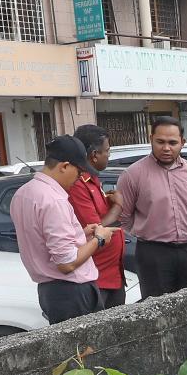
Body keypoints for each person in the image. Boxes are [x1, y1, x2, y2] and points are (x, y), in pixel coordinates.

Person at [10, 135, 114, 324]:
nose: (80, 178)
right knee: (84, 351)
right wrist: (98, 239)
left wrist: (81, 234)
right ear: (64, 166)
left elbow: (43, 240)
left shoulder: (23, 193)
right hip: (72, 292)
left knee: (73, 351)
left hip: (51, 290)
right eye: (78, 171)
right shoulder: (53, 200)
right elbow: (67, 263)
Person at [112, 116, 187, 298]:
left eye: (172, 142)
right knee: (157, 310)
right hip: (153, 254)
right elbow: (123, 217)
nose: (166, 148)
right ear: (151, 139)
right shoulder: (133, 175)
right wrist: (148, 232)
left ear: (182, 143)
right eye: (160, 142)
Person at [68, 124, 127, 308]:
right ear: (94, 155)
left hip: (112, 275)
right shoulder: (78, 184)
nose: (109, 156)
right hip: (97, 278)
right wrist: (118, 205)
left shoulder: (93, 179)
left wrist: (109, 203)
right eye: (107, 151)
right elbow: (96, 229)